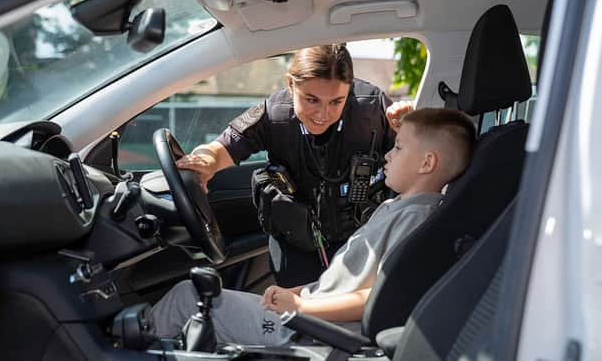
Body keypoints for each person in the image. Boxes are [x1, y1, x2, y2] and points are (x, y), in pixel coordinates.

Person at [150, 107, 476, 345]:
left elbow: (376, 296)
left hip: (314, 333)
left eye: (399, 147)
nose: (387, 155)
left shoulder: (415, 220)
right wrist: (302, 293)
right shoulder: (400, 207)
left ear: (427, 163)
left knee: (188, 296)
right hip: (311, 318)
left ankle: (122, 345)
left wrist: (303, 307)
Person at [177, 44, 413, 287]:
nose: (323, 113)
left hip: (364, 237)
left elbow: (422, 165)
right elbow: (220, 148)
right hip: (295, 240)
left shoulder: (373, 108)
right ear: (290, 84)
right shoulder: (273, 113)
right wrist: (204, 161)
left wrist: (407, 130)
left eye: (336, 102)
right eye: (311, 100)